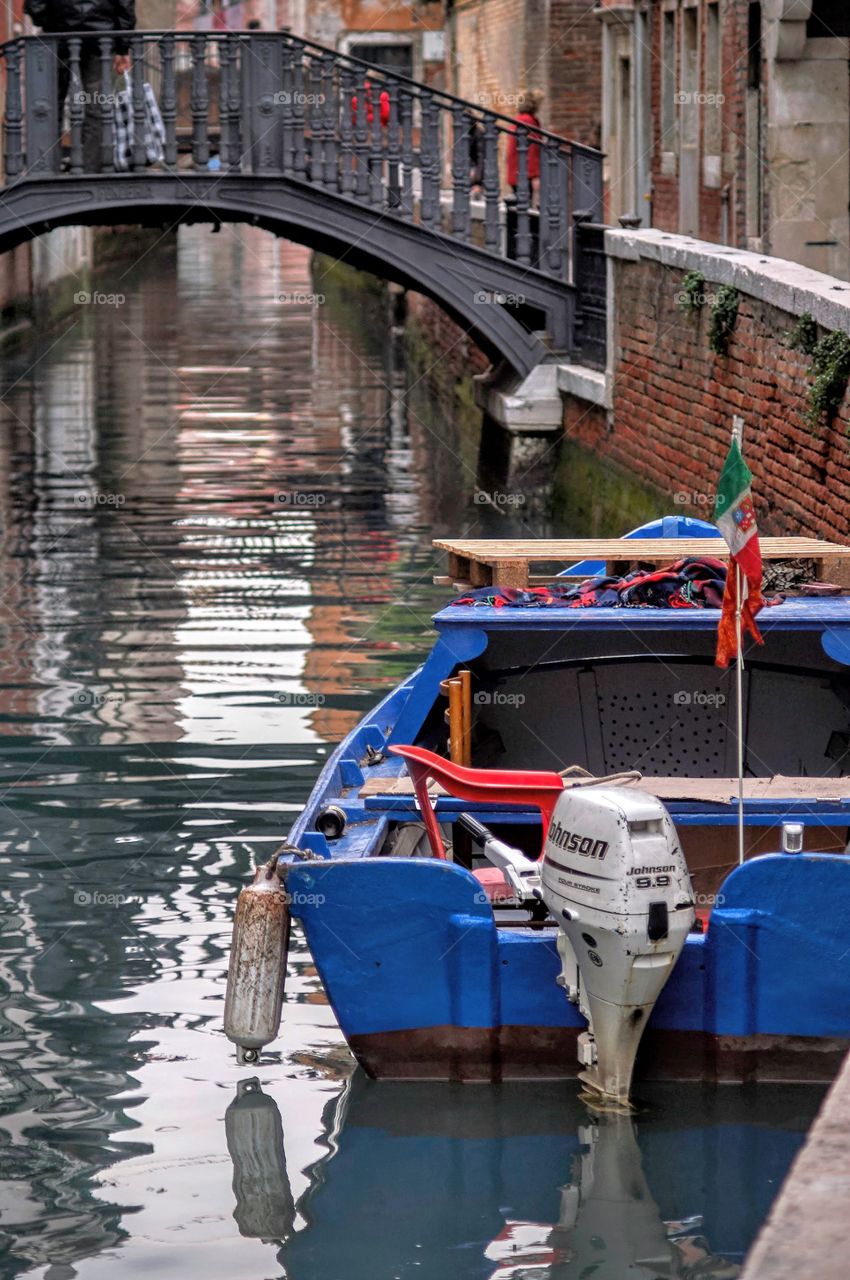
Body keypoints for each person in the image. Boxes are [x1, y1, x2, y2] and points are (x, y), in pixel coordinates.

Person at [24, 0, 136, 172]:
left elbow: (35, 4)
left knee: (51, 106)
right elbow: (125, 4)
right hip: (100, 39)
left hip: (58, 36)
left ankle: (48, 169)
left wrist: (49, 22)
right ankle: (91, 170)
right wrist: (123, 46)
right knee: (96, 107)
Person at [505, 88, 543, 196]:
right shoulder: (528, 121)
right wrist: (534, 175)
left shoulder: (520, 119)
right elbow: (532, 149)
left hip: (517, 172)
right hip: (523, 173)